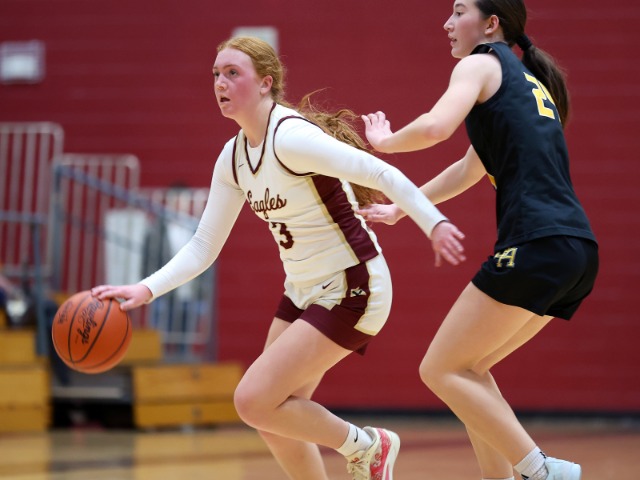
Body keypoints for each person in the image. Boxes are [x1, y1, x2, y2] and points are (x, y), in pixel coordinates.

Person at [92, 35, 466, 480]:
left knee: (252, 400)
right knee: (274, 417)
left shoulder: (290, 137)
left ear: (266, 82)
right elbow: (204, 245)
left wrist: (434, 222)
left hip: (352, 284)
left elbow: (379, 171)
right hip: (303, 290)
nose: (220, 83)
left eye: (233, 73)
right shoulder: (233, 157)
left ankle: (368, 446)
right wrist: (146, 288)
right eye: (216, 74)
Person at [359, 1, 598, 480]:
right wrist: (402, 208)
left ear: (491, 24)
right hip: (575, 250)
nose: (447, 23)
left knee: (439, 369)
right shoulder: (522, 80)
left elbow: (435, 127)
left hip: (536, 243)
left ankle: (542, 471)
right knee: (469, 371)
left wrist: (385, 143)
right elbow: (468, 169)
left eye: (459, 11)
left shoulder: (482, 62)